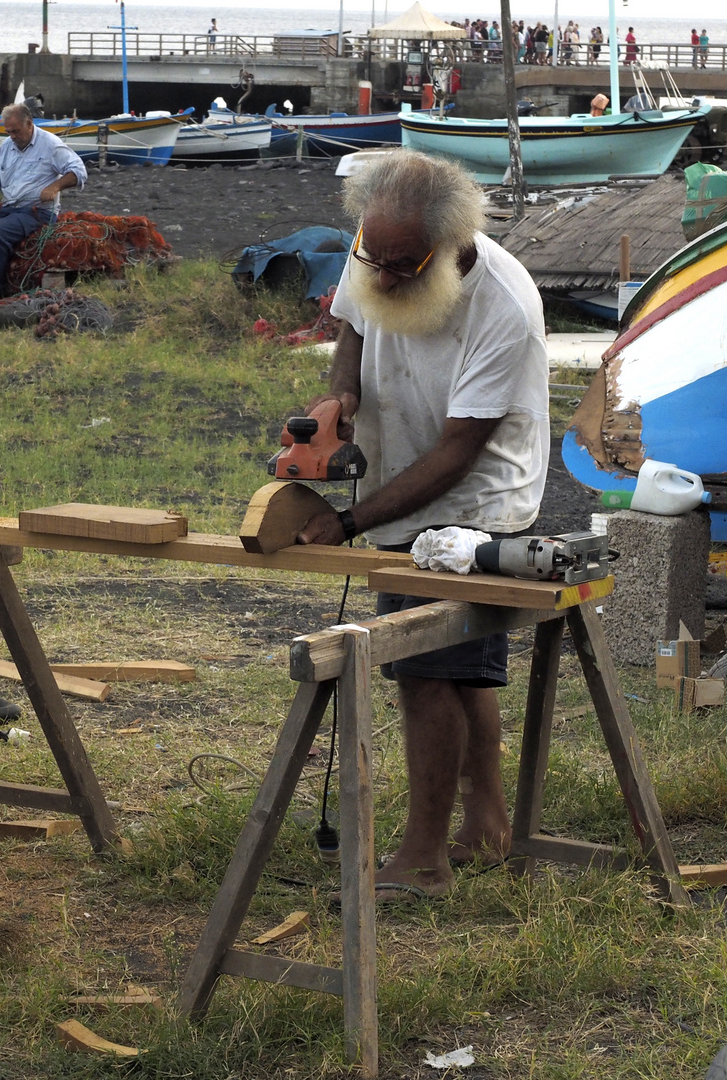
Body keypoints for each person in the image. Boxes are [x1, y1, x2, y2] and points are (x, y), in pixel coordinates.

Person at [292, 151, 549, 901]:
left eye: (403, 265)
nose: (385, 274)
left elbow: (459, 453)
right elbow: (354, 327)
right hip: (399, 476)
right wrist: (337, 404)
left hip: (475, 502)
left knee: (424, 675)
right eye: (376, 257)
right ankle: (487, 824)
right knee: (461, 671)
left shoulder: (504, 304)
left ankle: (424, 860)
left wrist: (348, 521)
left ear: (450, 246)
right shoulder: (381, 244)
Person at [0, 102, 86, 297]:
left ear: (30, 124)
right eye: (8, 132)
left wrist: (54, 187)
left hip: (38, 212)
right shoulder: (8, 145)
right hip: (11, 209)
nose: (12, 136)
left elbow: (79, 171)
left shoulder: (51, 144)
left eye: (15, 131)